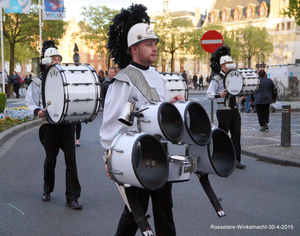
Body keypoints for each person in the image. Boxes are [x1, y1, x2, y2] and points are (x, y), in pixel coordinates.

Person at [100, 4, 184, 235]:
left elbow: (157, 113)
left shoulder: (157, 77)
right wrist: (110, 157)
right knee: (135, 214)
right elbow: (113, 123)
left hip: (160, 151)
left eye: (155, 43)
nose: (155, 48)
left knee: (165, 211)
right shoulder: (124, 80)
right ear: (134, 48)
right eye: (149, 44)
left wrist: (173, 103)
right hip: (135, 155)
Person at [25, 40, 82, 210]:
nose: (57, 61)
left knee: (71, 161)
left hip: (66, 125)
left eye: (59, 59)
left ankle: (72, 197)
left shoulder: (67, 79)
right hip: (49, 127)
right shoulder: (37, 83)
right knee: (50, 160)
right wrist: (37, 111)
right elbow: (30, 102)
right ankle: (47, 189)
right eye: (54, 59)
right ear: (46, 61)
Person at [206, 45, 246, 169]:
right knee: (223, 136)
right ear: (222, 65)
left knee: (236, 135)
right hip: (223, 111)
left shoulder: (234, 75)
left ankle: (236, 160)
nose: (229, 65)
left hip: (234, 110)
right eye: (227, 63)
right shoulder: (217, 78)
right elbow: (209, 94)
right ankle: (220, 158)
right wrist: (219, 94)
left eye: (230, 62)